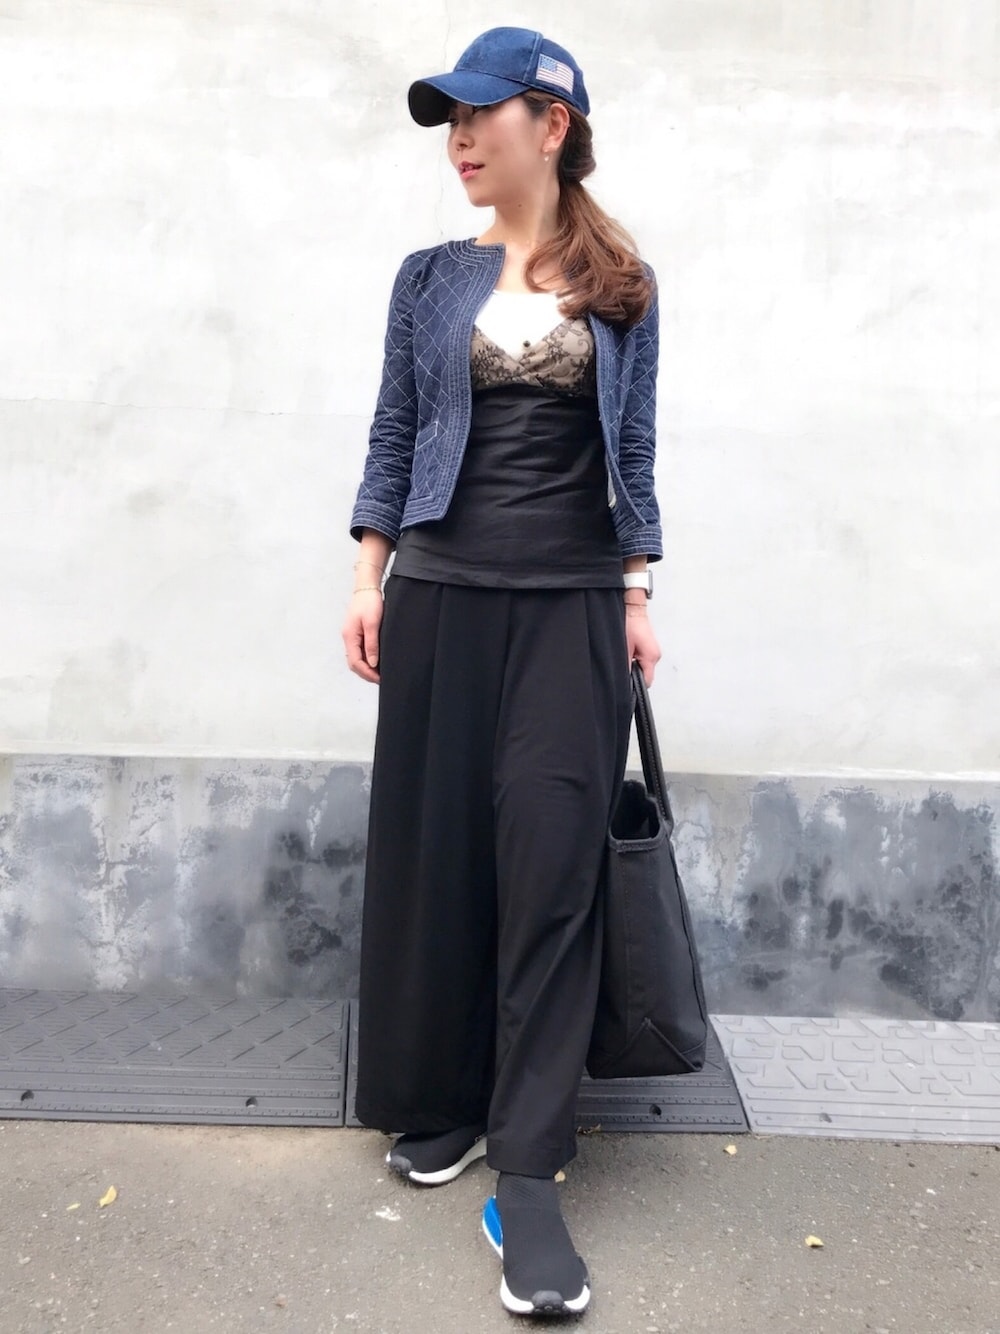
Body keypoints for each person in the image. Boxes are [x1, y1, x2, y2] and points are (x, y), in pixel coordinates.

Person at [342, 26, 662, 1318]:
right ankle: (447, 1099)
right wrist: (367, 578)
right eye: (450, 123)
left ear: (553, 122)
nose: (461, 140)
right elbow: (394, 430)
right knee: (441, 859)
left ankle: (527, 1173)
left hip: (570, 606)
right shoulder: (429, 279)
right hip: (441, 599)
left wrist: (636, 593)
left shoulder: (622, 283)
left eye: (481, 115)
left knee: (549, 865)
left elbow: (636, 449)